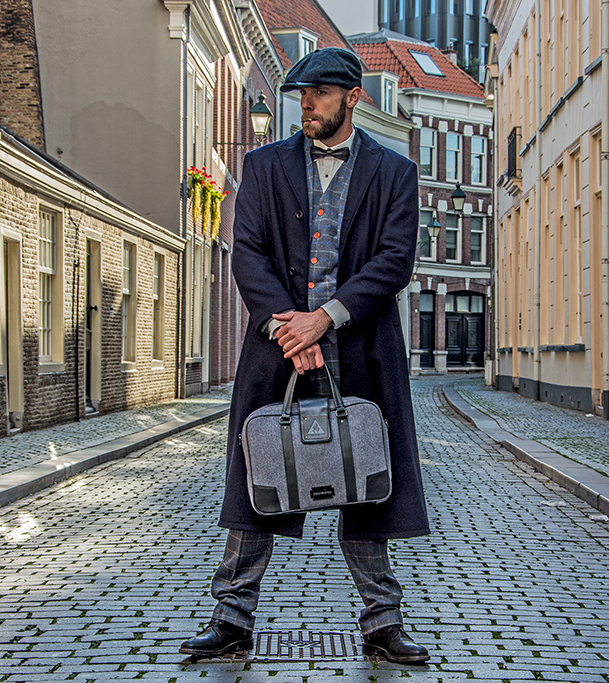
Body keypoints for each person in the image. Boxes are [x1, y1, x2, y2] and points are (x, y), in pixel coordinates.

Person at [180, 47, 431, 664]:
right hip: (278, 351)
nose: (307, 104)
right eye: (301, 94)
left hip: (362, 349)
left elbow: (393, 261)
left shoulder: (394, 172)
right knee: (258, 472)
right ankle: (231, 617)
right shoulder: (263, 165)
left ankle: (382, 621)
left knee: (368, 480)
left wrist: (325, 319)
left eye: (319, 93)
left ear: (352, 97)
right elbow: (249, 255)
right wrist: (289, 332)